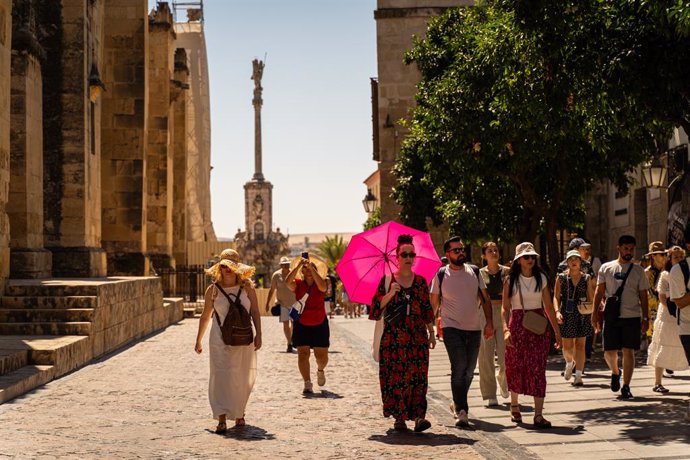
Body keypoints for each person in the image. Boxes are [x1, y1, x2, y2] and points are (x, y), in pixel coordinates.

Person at [371, 234, 436, 432]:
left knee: (418, 378)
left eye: (411, 254)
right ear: (397, 257)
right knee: (396, 378)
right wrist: (390, 293)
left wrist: (431, 333)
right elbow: (375, 310)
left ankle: (418, 417)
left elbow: (426, 310)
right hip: (394, 339)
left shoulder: (421, 282)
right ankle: (399, 417)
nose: (408, 257)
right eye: (404, 254)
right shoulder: (387, 280)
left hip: (417, 338)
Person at [430, 236, 493, 428]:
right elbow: (433, 304)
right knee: (459, 367)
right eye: (456, 250)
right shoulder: (441, 275)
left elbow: (486, 299)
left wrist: (489, 322)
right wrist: (429, 330)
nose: (460, 253)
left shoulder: (474, 271)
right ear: (448, 254)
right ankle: (462, 411)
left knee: (469, 372)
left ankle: (456, 402)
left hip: (474, 328)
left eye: (461, 249)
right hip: (451, 328)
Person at [194, 257, 262, 433]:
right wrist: (198, 339)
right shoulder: (213, 290)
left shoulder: (247, 288)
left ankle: (240, 413)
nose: (227, 269)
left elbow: (255, 311)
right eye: (223, 265)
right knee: (221, 376)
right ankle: (221, 417)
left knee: (241, 375)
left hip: (243, 338)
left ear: (237, 268)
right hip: (219, 339)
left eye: (231, 265)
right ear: (219, 268)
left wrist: (259, 334)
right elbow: (205, 315)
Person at [502, 242, 561, 429]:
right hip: (517, 324)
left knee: (538, 368)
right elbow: (504, 308)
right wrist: (505, 329)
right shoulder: (510, 280)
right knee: (515, 365)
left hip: (538, 326)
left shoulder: (541, 278)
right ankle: (514, 405)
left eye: (532, 257)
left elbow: (549, 307)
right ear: (519, 260)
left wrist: (556, 333)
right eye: (526, 257)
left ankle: (538, 414)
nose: (530, 260)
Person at [592, 234, 649, 400]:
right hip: (611, 315)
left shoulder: (638, 271)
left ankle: (626, 386)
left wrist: (645, 318)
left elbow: (643, 296)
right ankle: (616, 372)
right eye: (626, 249)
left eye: (631, 249)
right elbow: (599, 291)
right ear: (619, 248)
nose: (629, 252)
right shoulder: (606, 268)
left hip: (631, 316)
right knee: (608, 352)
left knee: (628, 351)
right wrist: (594, 314)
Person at [648, 245, 689, 393]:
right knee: (662, 345)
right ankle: (658, 382)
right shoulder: (666, 274)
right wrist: (672, 310)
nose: (678, 259)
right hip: (668, 315)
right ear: (669, 259)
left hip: (682, 314)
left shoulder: (685, 273)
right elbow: (662, 297)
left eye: (680, 257)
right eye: (675, 257)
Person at [286, 257, 329, 394]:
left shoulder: (322, 282)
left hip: (319, 322)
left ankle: (320, 370)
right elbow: (287, 282)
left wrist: (312, 269)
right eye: (305, 269)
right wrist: (298, 266)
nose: (308, 270)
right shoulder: (297, 284)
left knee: (321, 357)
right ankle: (307, 382)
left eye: (311, 267)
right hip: (301, 323)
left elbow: (323, 287)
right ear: (302, 272)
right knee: (303, 354)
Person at [553, 250, 594, 387]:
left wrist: (593, 315)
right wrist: (557, 311)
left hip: (582, 313)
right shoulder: (561, 277)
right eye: (571, 259)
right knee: (567, 346)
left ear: (580, 262)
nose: (574, 261)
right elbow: (556, 296)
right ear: (567, 262)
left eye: (576, 259)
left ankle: (578, 376)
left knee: (581, 346)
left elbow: (591, 296)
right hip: (567, 313)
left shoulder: (586, 278)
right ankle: (569, 363)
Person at [477, 241, 509, 406]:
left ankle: (504, 381)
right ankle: (489, 393)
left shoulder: (507, 272)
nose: (493, 252)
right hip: (485, 313)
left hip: (504, 313)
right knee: (486, 355)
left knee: (506, 354)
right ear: (483, 256)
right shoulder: (479, 274)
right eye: (489, 250)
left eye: (496, 250)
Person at [265, 256, 296, 352]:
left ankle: (292, 339)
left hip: (295, 304)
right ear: (281, 265)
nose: (286, 266)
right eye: (284, 265)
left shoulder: (294, 274)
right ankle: (289, 343)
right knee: (286, 323)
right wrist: (267, 303)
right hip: (282, 303)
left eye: (287, 264)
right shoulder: (276, 275)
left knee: (294, 323)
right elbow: (272, 290)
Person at [645, 242, 667, 343]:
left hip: (666, 308)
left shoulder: (669, 271)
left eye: (665, 254)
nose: (664, 257)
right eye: (662, 254)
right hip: (652, 311)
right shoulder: (646, 273)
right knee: (653, 342)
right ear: (653, 256)